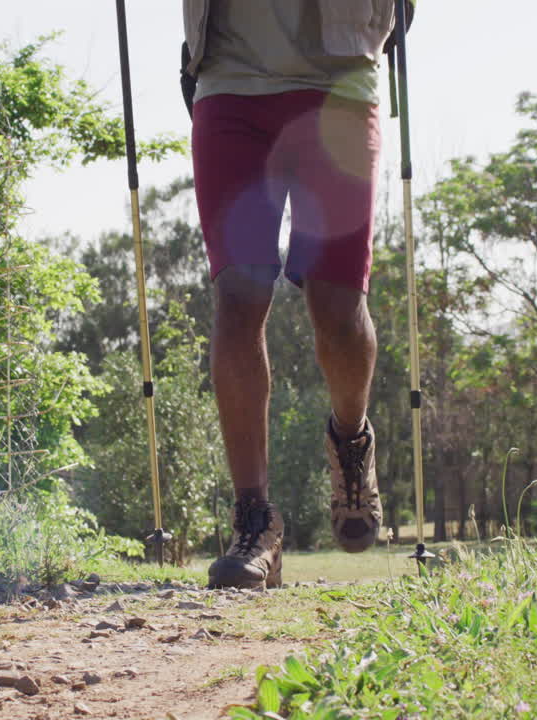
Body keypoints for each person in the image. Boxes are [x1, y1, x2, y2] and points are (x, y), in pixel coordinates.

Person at [181, 0, 407, 589]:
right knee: (238, 293)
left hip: (338, 78)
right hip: (228, 80)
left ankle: (351, 438)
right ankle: (255, 520)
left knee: (338, 311)